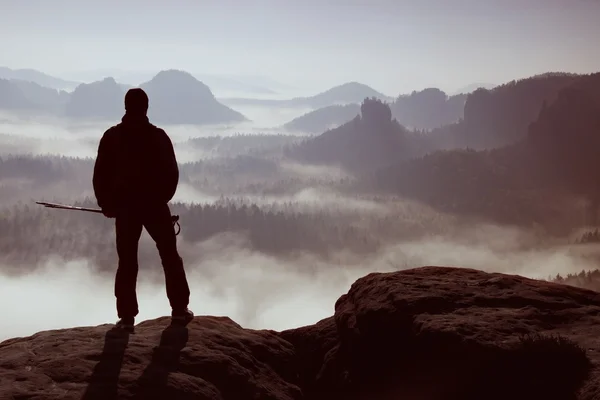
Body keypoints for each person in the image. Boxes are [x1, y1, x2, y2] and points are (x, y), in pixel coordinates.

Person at [92, 88, 193, 332]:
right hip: (155, 207)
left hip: (125, 210)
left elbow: (100, 176)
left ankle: (127, 318)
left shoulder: (112, 137)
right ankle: (179, 310)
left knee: (127, 262)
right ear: (146, 108)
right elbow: (172, 174)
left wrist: (107, 205)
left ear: (125, 107)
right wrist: (159, 200)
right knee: (169, 256)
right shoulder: (158, 137)